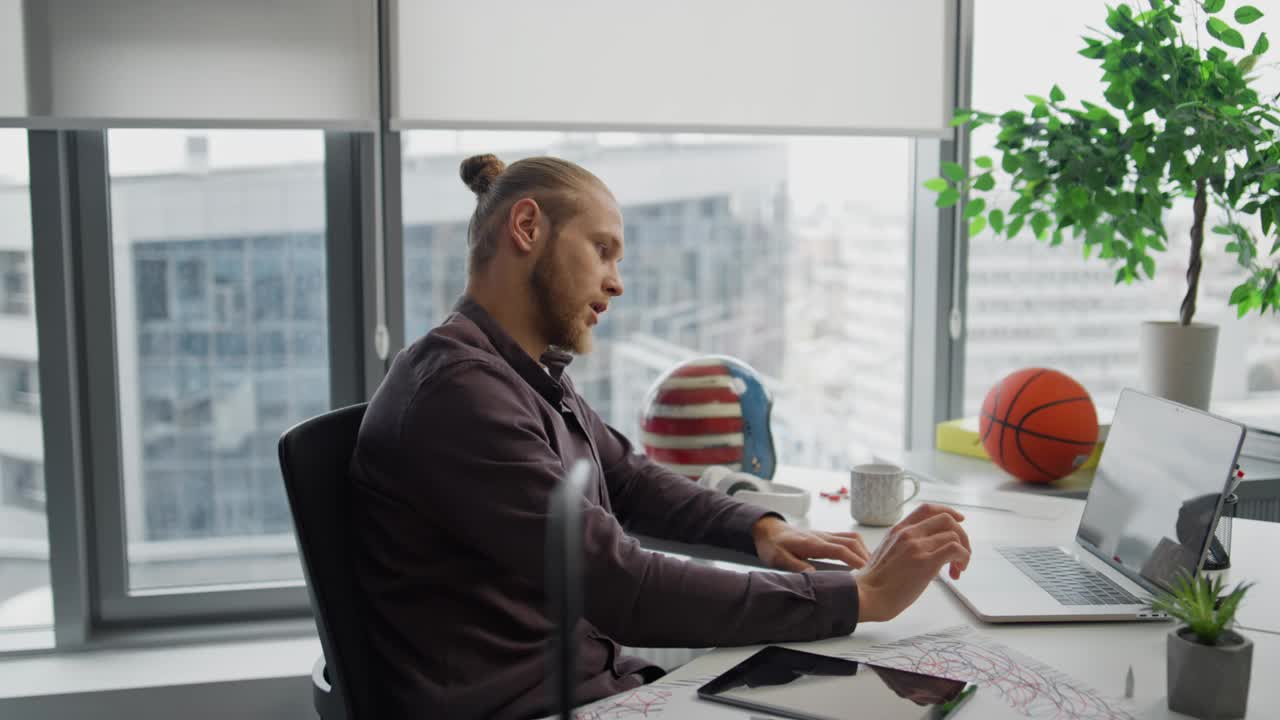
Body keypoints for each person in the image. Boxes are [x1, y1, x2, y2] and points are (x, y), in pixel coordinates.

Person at [350, 153, 972, 719]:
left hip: (596, 681)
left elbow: (627, 477)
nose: (617, 281)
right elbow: (621, 586)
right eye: (602, 250)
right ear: (527, 227)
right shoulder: (460, 394)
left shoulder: (521, 371)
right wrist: (859, 596)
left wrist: (760, 529)